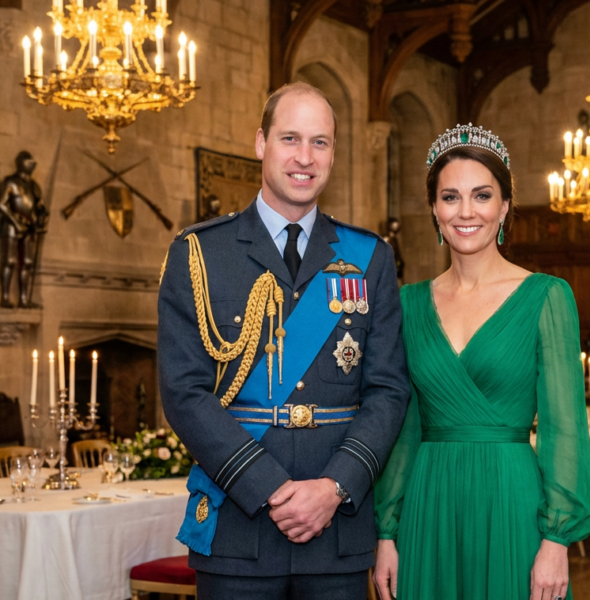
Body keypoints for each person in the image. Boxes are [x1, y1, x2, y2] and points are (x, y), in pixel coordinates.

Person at [158, 82, 410, 600]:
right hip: (238, 530)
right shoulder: (200, 253)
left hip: (336, 530)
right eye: (290, 138)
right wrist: (270, 488)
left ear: (334, 154)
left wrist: (333, 487)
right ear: (261, 143)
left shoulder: (370, 258)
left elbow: (388, 390)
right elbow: (184, 393)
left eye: (320, 142)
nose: (304, 157)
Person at [373, 125, 590, 600]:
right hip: (428, 504)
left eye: (482, 195)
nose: (466, 211)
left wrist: (556, 540)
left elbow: (564, 429)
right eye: (450, 197)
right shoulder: (408, 304)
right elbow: (403, 427)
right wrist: (387, 532)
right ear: (435, 210)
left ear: (504, 206)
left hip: (511, 501)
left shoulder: (547, 296)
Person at [0, 151, 47, 308]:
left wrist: (41, 219)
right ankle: (5, 297)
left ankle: (24, 299)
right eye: (28, 162)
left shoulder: (34, 186)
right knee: (9, 261)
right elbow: (1, 205)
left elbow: (40, 207)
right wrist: (16, 222)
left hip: (29, 228)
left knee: (27, 263)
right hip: (11, 225)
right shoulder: (11, 182)